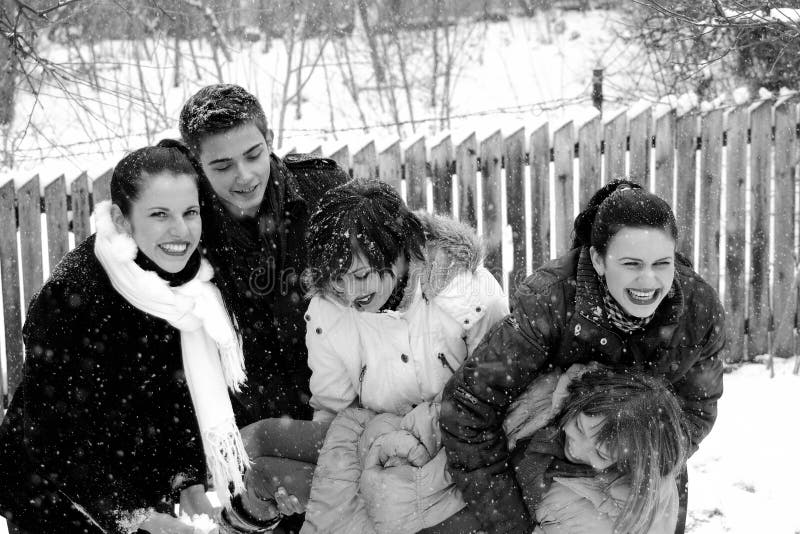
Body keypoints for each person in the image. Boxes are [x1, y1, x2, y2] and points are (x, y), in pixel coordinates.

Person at [439, 179, 726, 533]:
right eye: (632, 263)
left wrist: (631, 455)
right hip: (550, 458)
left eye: (661, 263)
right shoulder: (551, 301)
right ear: (598, 260)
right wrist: (512, 521)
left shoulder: (698, 310)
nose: (649, 280)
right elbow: (469, 406)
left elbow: (696, 412)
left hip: (641, 467)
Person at [0, 141, 249, 534]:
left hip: (136, 486)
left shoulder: (186, 288)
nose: (180, 231)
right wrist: (138, 518)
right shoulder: (71, 297)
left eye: (189, 212)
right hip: (55, 500)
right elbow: (51, 436)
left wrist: (189, 485)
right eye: (159, 215)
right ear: (121, 219)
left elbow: (176, 399)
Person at [235, 179, 509, 532]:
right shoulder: (327, 311)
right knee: (261, 445)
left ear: (401, 249)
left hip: (452, 449)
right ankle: (218, 516)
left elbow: (503, 394)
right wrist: (324, 482)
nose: (349, 293)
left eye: (362, 275)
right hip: (369, 448)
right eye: (336, 279)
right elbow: (333, 413)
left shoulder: (464, 293)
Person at [178, 83, 349, 426]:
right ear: (196, 161)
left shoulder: (324, 190)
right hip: (243, 432)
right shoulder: (182, 222)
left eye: (253, 155)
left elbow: (394, 256)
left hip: (338, 419)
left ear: (269, 138)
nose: (244, 176)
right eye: (223, 166)